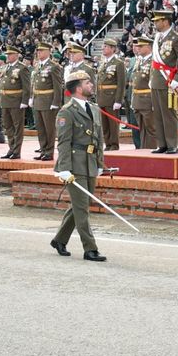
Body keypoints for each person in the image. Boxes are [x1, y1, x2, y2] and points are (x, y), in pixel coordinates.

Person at [49, 70, 108, 262]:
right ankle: (90, 248)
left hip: (90, 163)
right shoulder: (67, 111)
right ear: (77, 87)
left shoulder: (94, 108)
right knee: (82, 208)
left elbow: (99, 139)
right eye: (87, 82)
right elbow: (64, 142)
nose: (91, 85)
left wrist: (100, 162)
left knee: (80, 205)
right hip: (74, 165)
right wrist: (63, 168)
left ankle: (59, 239)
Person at [148, 10, 178, 154]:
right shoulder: (157, 38)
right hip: (156, 80)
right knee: (157, 114)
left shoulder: (176, 38)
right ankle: (162, 144)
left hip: (168, 80)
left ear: (165, 21)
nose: (155, 23)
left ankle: (172, 144)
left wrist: (177, 80)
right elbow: (155, 62)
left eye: (157, 21)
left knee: (168, 114)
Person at [0, 46, 31, 160]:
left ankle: (16, 150)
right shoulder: (6, 67)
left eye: (10, 54)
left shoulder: (22, 68)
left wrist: (25, 101)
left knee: (17, 127)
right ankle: (11, 148)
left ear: (16, 55)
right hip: (5, 100)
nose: (8, 56)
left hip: (16, 100)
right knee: (8, 126)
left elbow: (26, 86)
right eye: (7, 54)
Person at [28, 43, 62, 160]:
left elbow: (57, 86)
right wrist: (32, 97)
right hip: (38, 100)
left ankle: (49, 152)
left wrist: (56, 102)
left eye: (41, 51)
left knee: (49, 128)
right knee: (41, 128)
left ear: (48, 51)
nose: (39, 53)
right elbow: (34, 84)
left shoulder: (54, 66)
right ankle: (43, 150)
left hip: (48, 101)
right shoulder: (38, 66)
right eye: (38, 51)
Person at [94, 40, 125, 150]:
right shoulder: (103, 63)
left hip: (112, 97)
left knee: (113, 123)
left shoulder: (118, 63)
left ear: (113, 49)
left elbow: (121, 83)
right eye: (103, 46)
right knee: (105, 124)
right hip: (102, 97)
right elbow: (99, 82)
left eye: (106, 47)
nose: (103, 48)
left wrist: (118, 100)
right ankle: (108, 143)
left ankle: (114, 144)